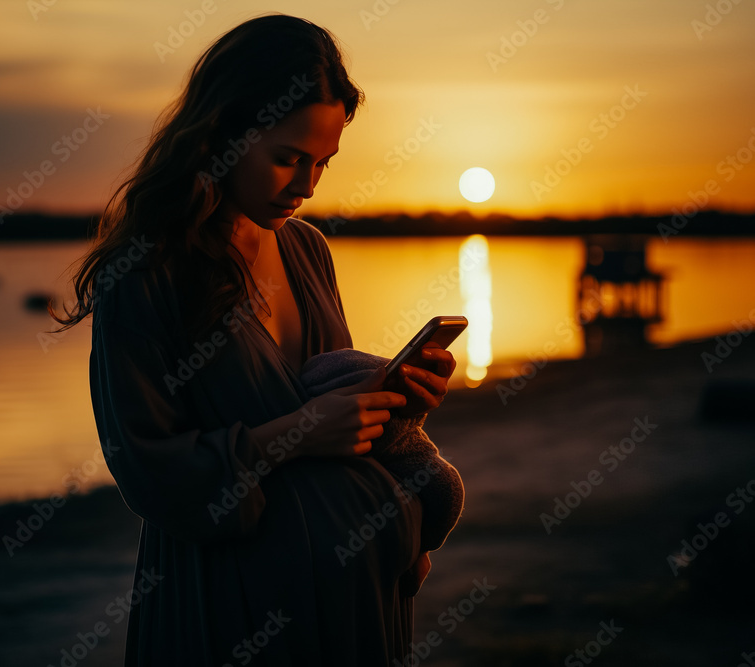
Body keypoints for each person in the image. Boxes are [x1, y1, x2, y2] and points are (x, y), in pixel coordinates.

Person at [49, 13, 457, 665]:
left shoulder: (306, 250)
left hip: (359, 596)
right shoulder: (148, 274)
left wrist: (401, 400)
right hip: (227, 604)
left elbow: (338, 409)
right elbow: (145, 467)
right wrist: (294, 434)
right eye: (287, 158)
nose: (307, 185)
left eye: (323, 161)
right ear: (221, 135)